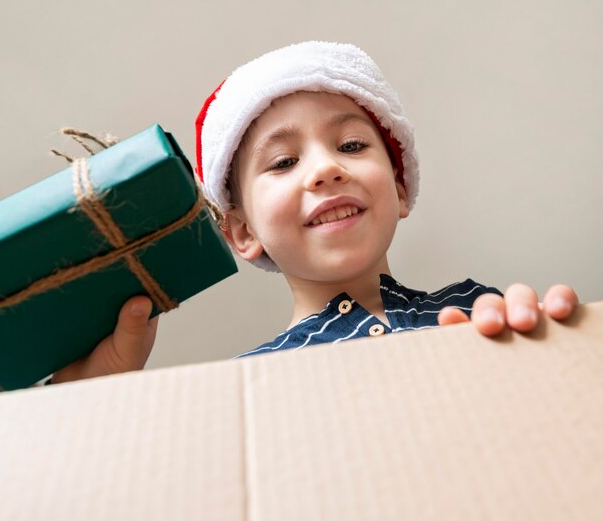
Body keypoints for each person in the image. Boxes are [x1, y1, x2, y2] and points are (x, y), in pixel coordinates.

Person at [48, 41, 578, 384]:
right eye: (283, 161)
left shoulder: (478, 310)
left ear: (398, 184)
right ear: (242, 232)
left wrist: (557, 352)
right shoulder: (245, 387)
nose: (324, 170)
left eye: (350, 146)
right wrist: (89, 395)